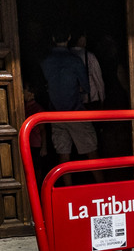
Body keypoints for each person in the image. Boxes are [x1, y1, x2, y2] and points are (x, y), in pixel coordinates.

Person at [39, 27, 97, 161]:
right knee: (91, 152)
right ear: (69, 37)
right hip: (75, 112)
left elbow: (43, 86)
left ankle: (68, 183)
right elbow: (86, 87)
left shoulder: (45, 61)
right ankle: (102, 181)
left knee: (63, 154)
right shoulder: (75, 60)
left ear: (53, 39)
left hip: (55, 114)